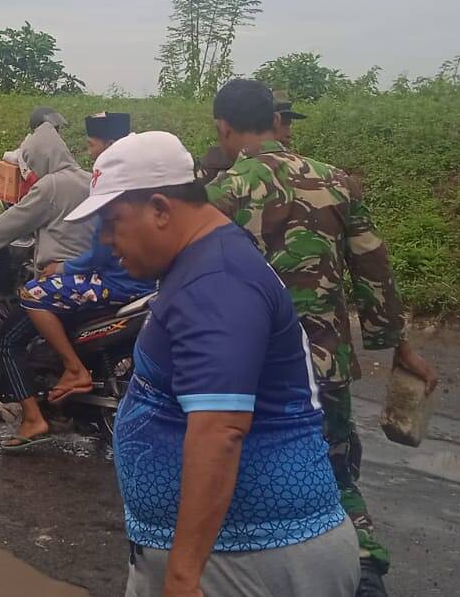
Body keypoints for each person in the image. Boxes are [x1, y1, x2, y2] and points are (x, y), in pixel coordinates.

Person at [65, 131, 358, 597]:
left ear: (161, 209)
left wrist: (183, 575)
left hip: (247, 559)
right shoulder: (203, 263)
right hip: (230, 554)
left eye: (112, 221)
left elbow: (221, 428)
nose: (105, 240)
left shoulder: (216, 281)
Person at [205, 78, 438, 597]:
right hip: (326, 365)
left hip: (256, 370)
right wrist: (399, 347)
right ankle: (365, 571)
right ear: (275, 120)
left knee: (249, 473)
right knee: (333, 469)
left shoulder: (221, 192)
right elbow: (374, 272)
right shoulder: (336, 181)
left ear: (223, 128)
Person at [0, 111, 156, 452]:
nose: (89, 148)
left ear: (111, 145)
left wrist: (65, 269)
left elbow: (100, 252)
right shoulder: (135, 181)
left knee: (33, 292)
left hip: (116, 282)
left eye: (94, 143)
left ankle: (73, 369)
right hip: (141, 283)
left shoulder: (108, 184)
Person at [0, 121, 93, 276]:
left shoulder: (51, 185)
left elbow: (16, 220)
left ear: (39, 158)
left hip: (61, 271)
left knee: (27, 296)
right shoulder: (89, 179)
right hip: (91, 267)